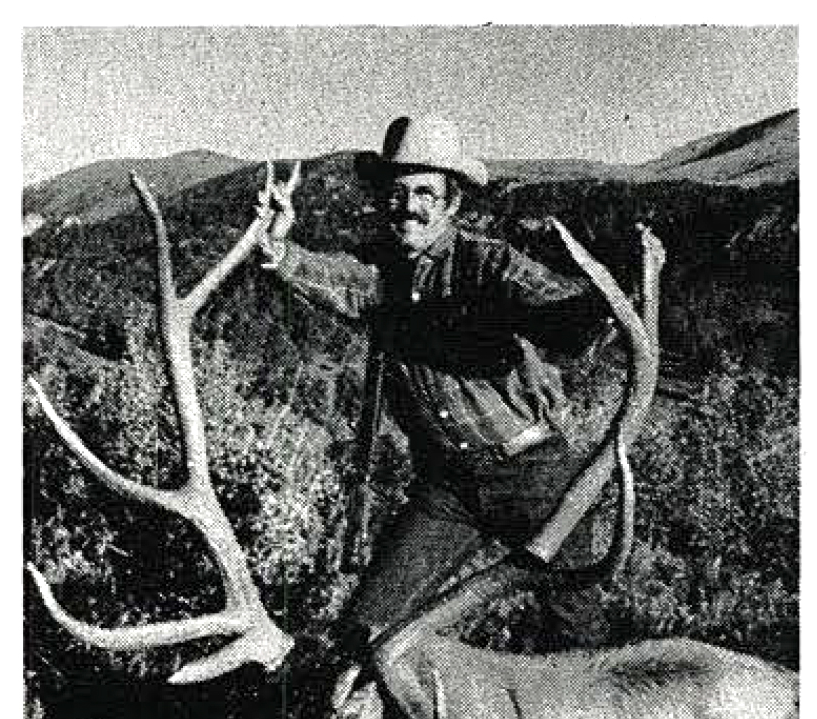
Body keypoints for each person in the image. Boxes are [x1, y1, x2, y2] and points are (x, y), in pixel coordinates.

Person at [257, 115, 608, 659]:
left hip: (536, 474)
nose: (410, 206)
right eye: (398, 193)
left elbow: (556, 307)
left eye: (425, 193)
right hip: (447, 489)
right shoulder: (379, 275)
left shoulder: (488, 264)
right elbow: (333, 278)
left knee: (573, 638)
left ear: (451, 206)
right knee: (368, 633)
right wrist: (279, 248)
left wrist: (589, 310)